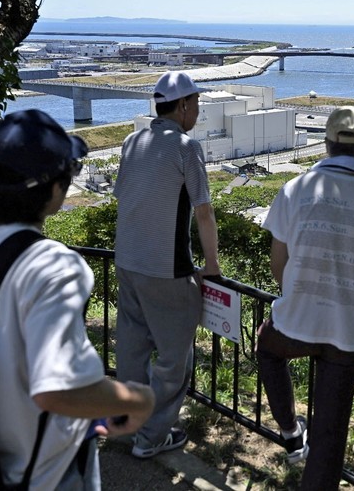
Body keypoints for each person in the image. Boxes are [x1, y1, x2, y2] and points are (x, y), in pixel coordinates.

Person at [0, 109, 155, 489]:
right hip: (37, 476)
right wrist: (137, 400)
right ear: (54, 191)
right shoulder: (50, 265)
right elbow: (59, 389)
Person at [256, 105, 354, 490]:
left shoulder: (296, 189)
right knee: (330, 433)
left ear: (326, 143)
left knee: (268, 348)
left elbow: (279, 263)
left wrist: (300, 294)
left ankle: (290, 430)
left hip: (296, 322)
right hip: (351, 329)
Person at [113, 70, 222, 458]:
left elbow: (123, 195)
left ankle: (126, 424)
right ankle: (152, 435)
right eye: (195, 104)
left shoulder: (132, 140)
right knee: (175, 359)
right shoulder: (185, 146)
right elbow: (204, 212)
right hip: (166, 267)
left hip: (127, 259)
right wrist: (211, 264)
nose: (197, 110)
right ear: (182, 106)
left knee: (132, 350)